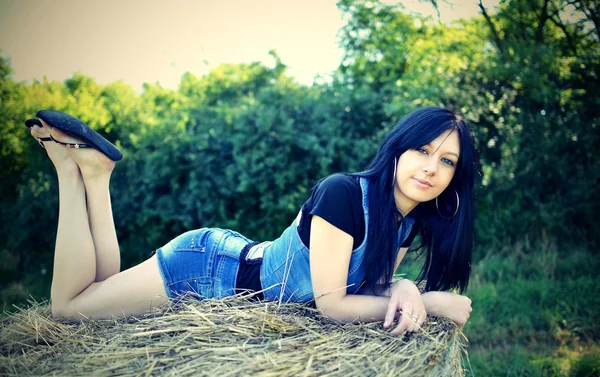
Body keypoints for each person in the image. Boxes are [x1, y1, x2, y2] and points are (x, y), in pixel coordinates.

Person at [28, 106, 474, 336]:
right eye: (422, 150)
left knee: (101, 288)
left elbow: (369, 289)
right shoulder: (343, 194)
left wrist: (404, 286)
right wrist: (430, 303)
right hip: (206, 273)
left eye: (447, 160)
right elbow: (334, 306)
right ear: (398, 149)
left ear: (457, 177)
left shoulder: (405, 221)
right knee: (68, 311)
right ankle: (69, 172)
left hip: (233, 266)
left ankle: (98, 175)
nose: (431, 167)